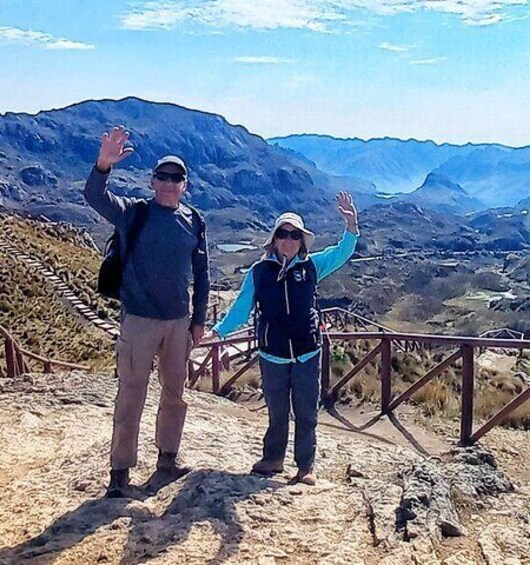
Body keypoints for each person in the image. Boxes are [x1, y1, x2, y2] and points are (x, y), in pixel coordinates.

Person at [84, 126, 210, 498]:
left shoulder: (194, 221)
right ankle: (120, 472)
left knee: (175, 393)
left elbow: (202, 274)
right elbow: (94, 196)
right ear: (152, 181)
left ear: (185, 185)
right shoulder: (134, 213)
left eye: (177, 178)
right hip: (138, 320)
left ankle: (167, 459)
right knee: (131, 393)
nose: (170, 183)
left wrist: (199, 320)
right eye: (163, 177)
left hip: (177, 324)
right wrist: (104, 164)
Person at [208, 194, 359, 485]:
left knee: (306, 410)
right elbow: (241, 308)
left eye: (294, 235)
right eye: (283, 234)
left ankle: (305, 467)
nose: (288, 240)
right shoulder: (259, 272)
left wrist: (351, 224)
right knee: (277, 410)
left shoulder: (312, 266)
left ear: (302, 241)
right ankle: (273, 459)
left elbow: (342, 252)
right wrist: (219, 331)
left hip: (307, 352)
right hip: (272, 354)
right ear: (274, 240)